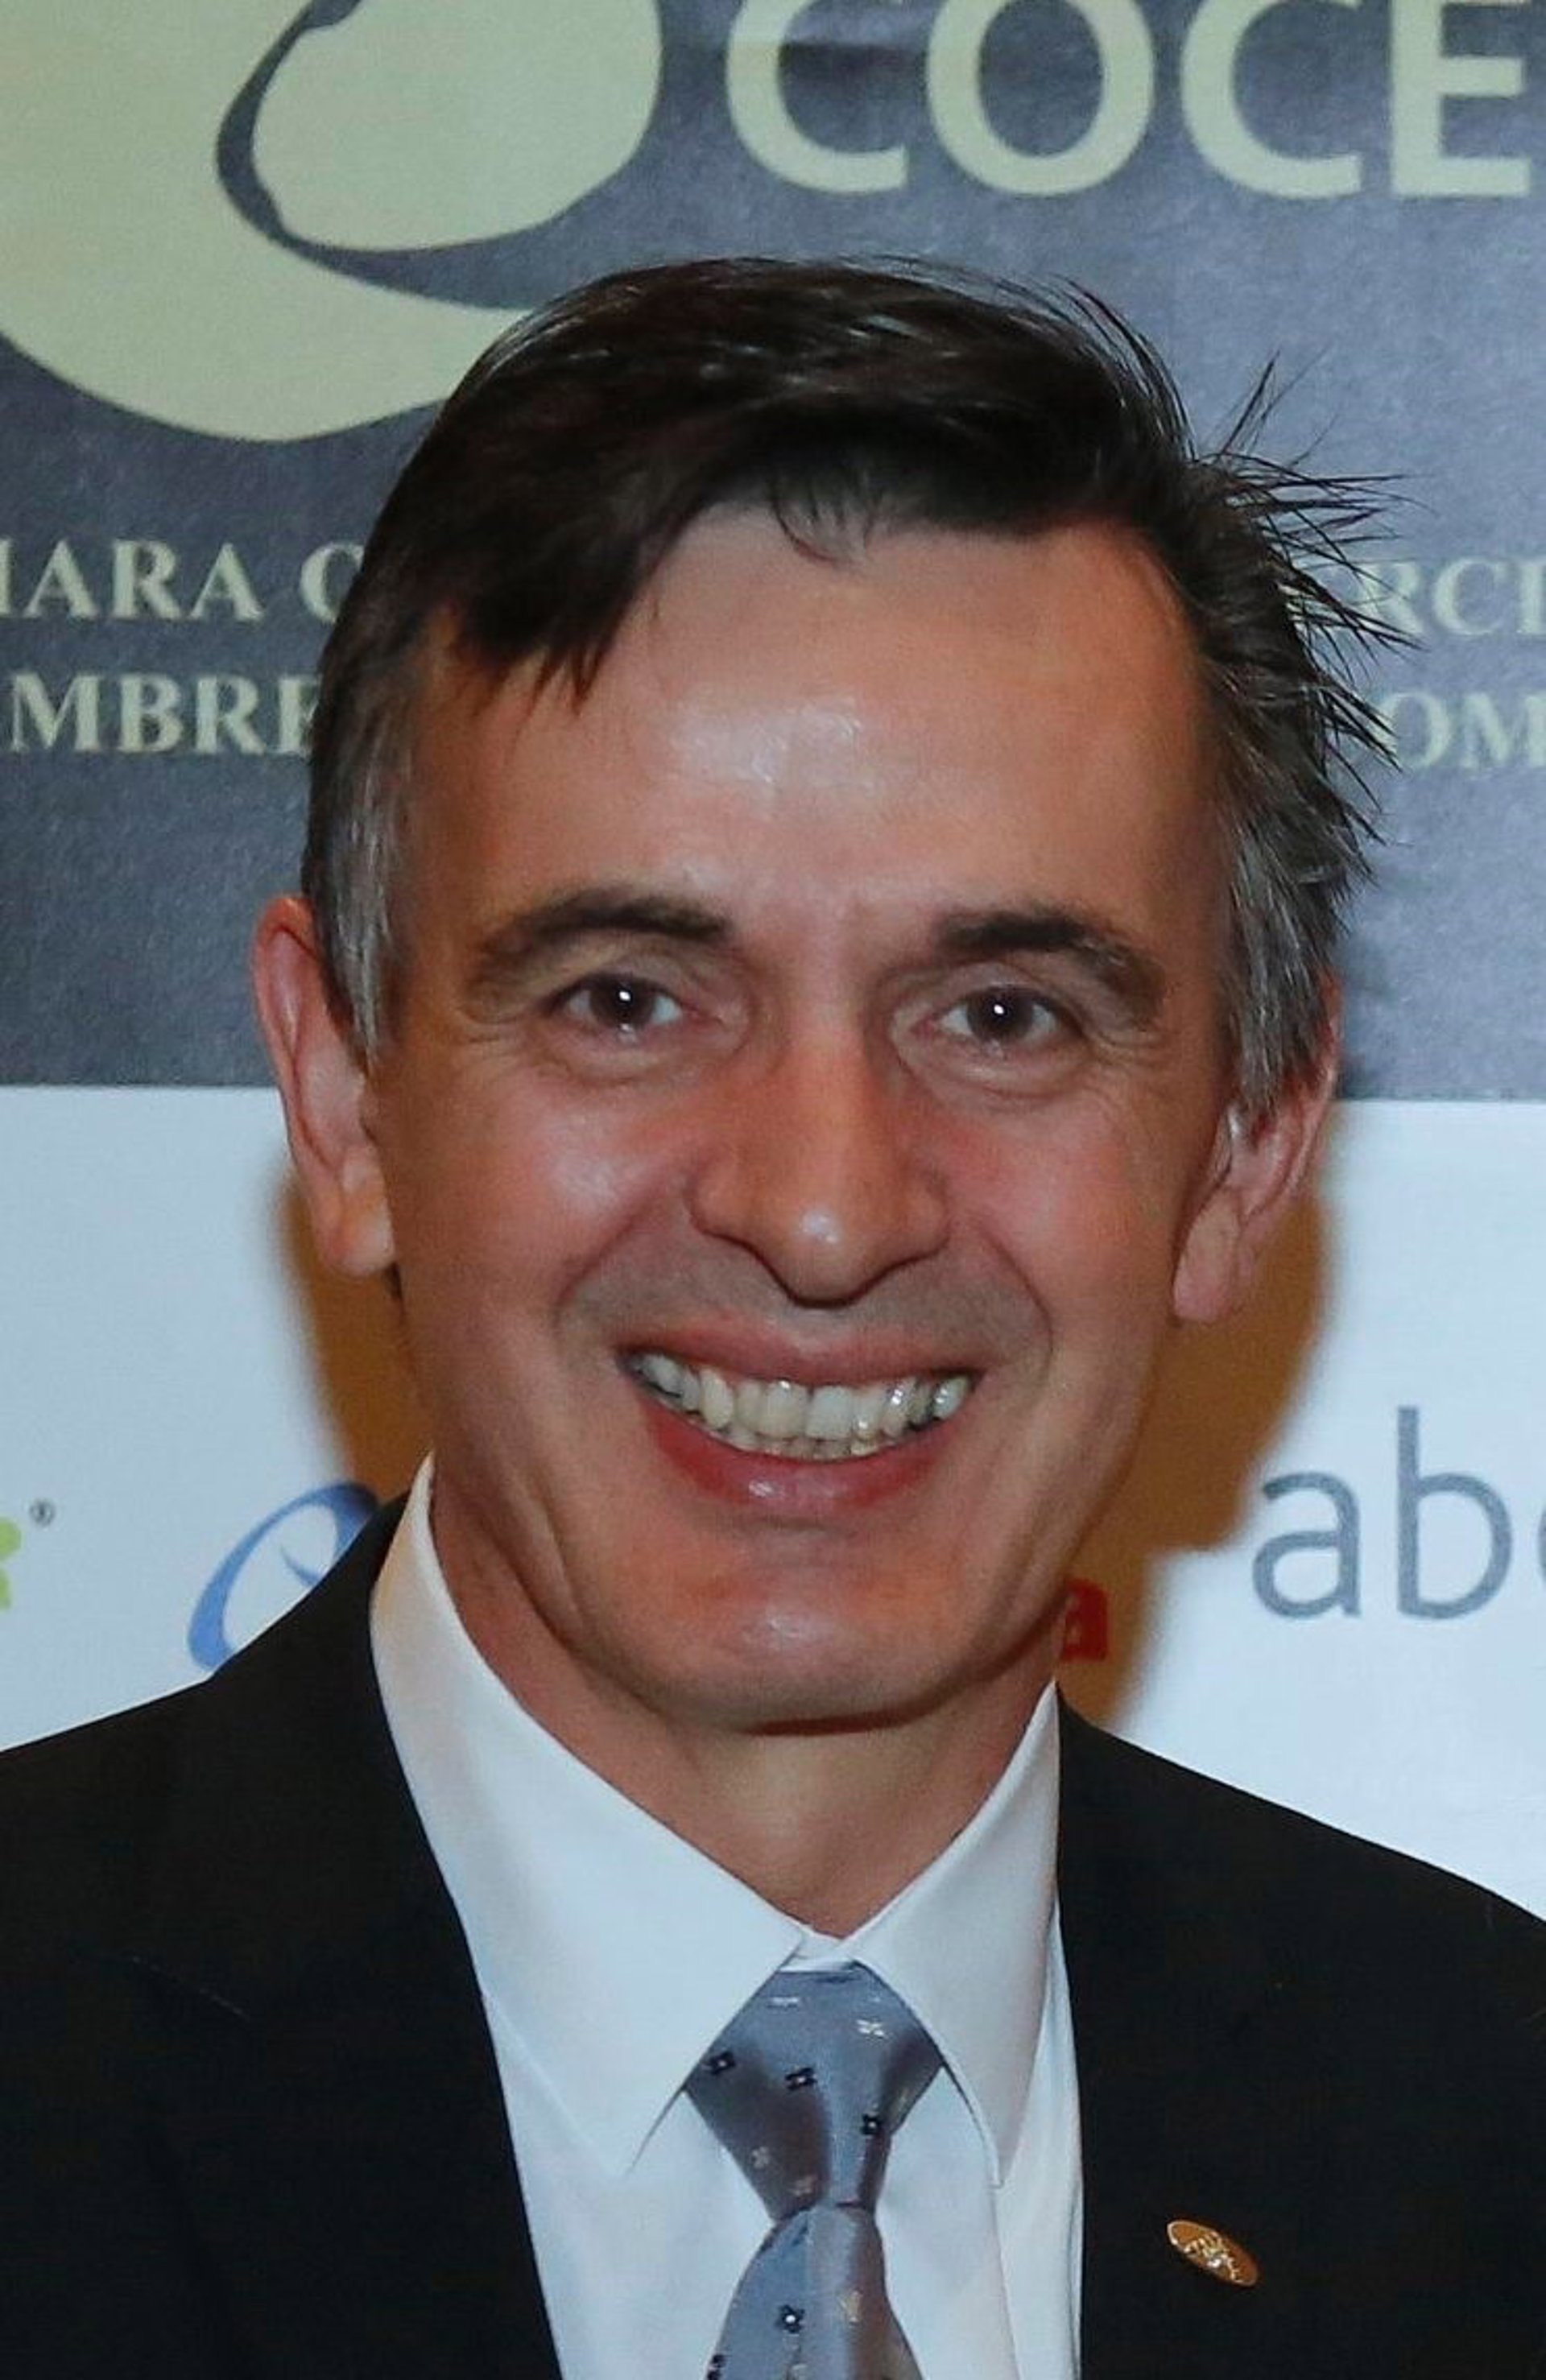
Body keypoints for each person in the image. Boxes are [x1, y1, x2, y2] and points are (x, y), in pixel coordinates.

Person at [2, 258, 1540, 2380]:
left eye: (1002, 1016)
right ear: (345, 1092)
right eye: (630, 999)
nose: (823, 1210)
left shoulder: (1495, 2137)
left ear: (1249, 1149)